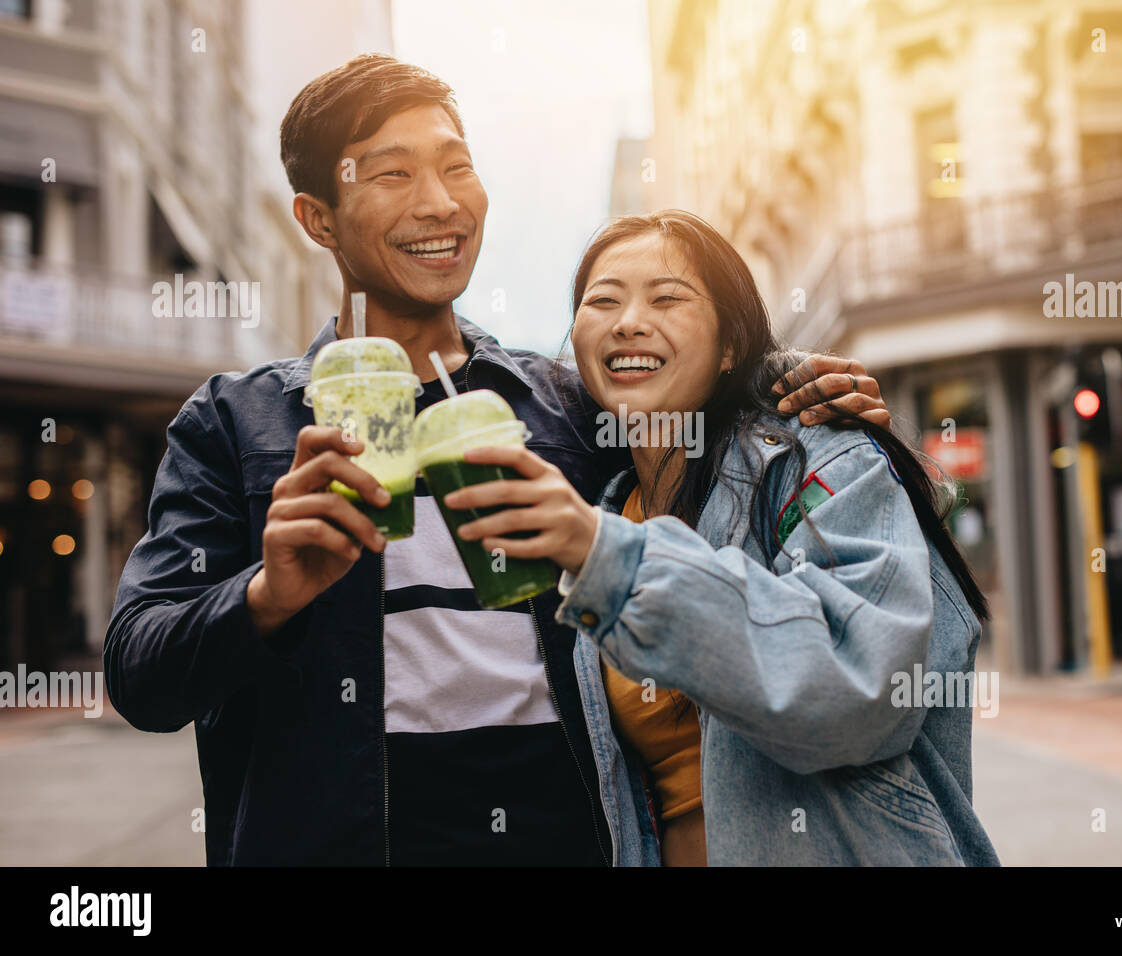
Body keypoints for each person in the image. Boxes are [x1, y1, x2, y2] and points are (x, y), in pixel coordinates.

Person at [102, 55, 890, 866]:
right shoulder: (235, 424)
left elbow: (686, 413)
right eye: (393, 174)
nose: (440, 204)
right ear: (318, 218)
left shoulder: (568, 406)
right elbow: (141, 673)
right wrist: (266, 595)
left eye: (457, 166)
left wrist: (775, 378)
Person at [448, 211, 1002, 865]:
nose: (628, 320)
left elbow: (859, 687)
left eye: (666, 297)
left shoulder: (815, 457)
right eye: (602, 300)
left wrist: (610, 558)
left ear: (731, 345)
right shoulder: (605, 501)